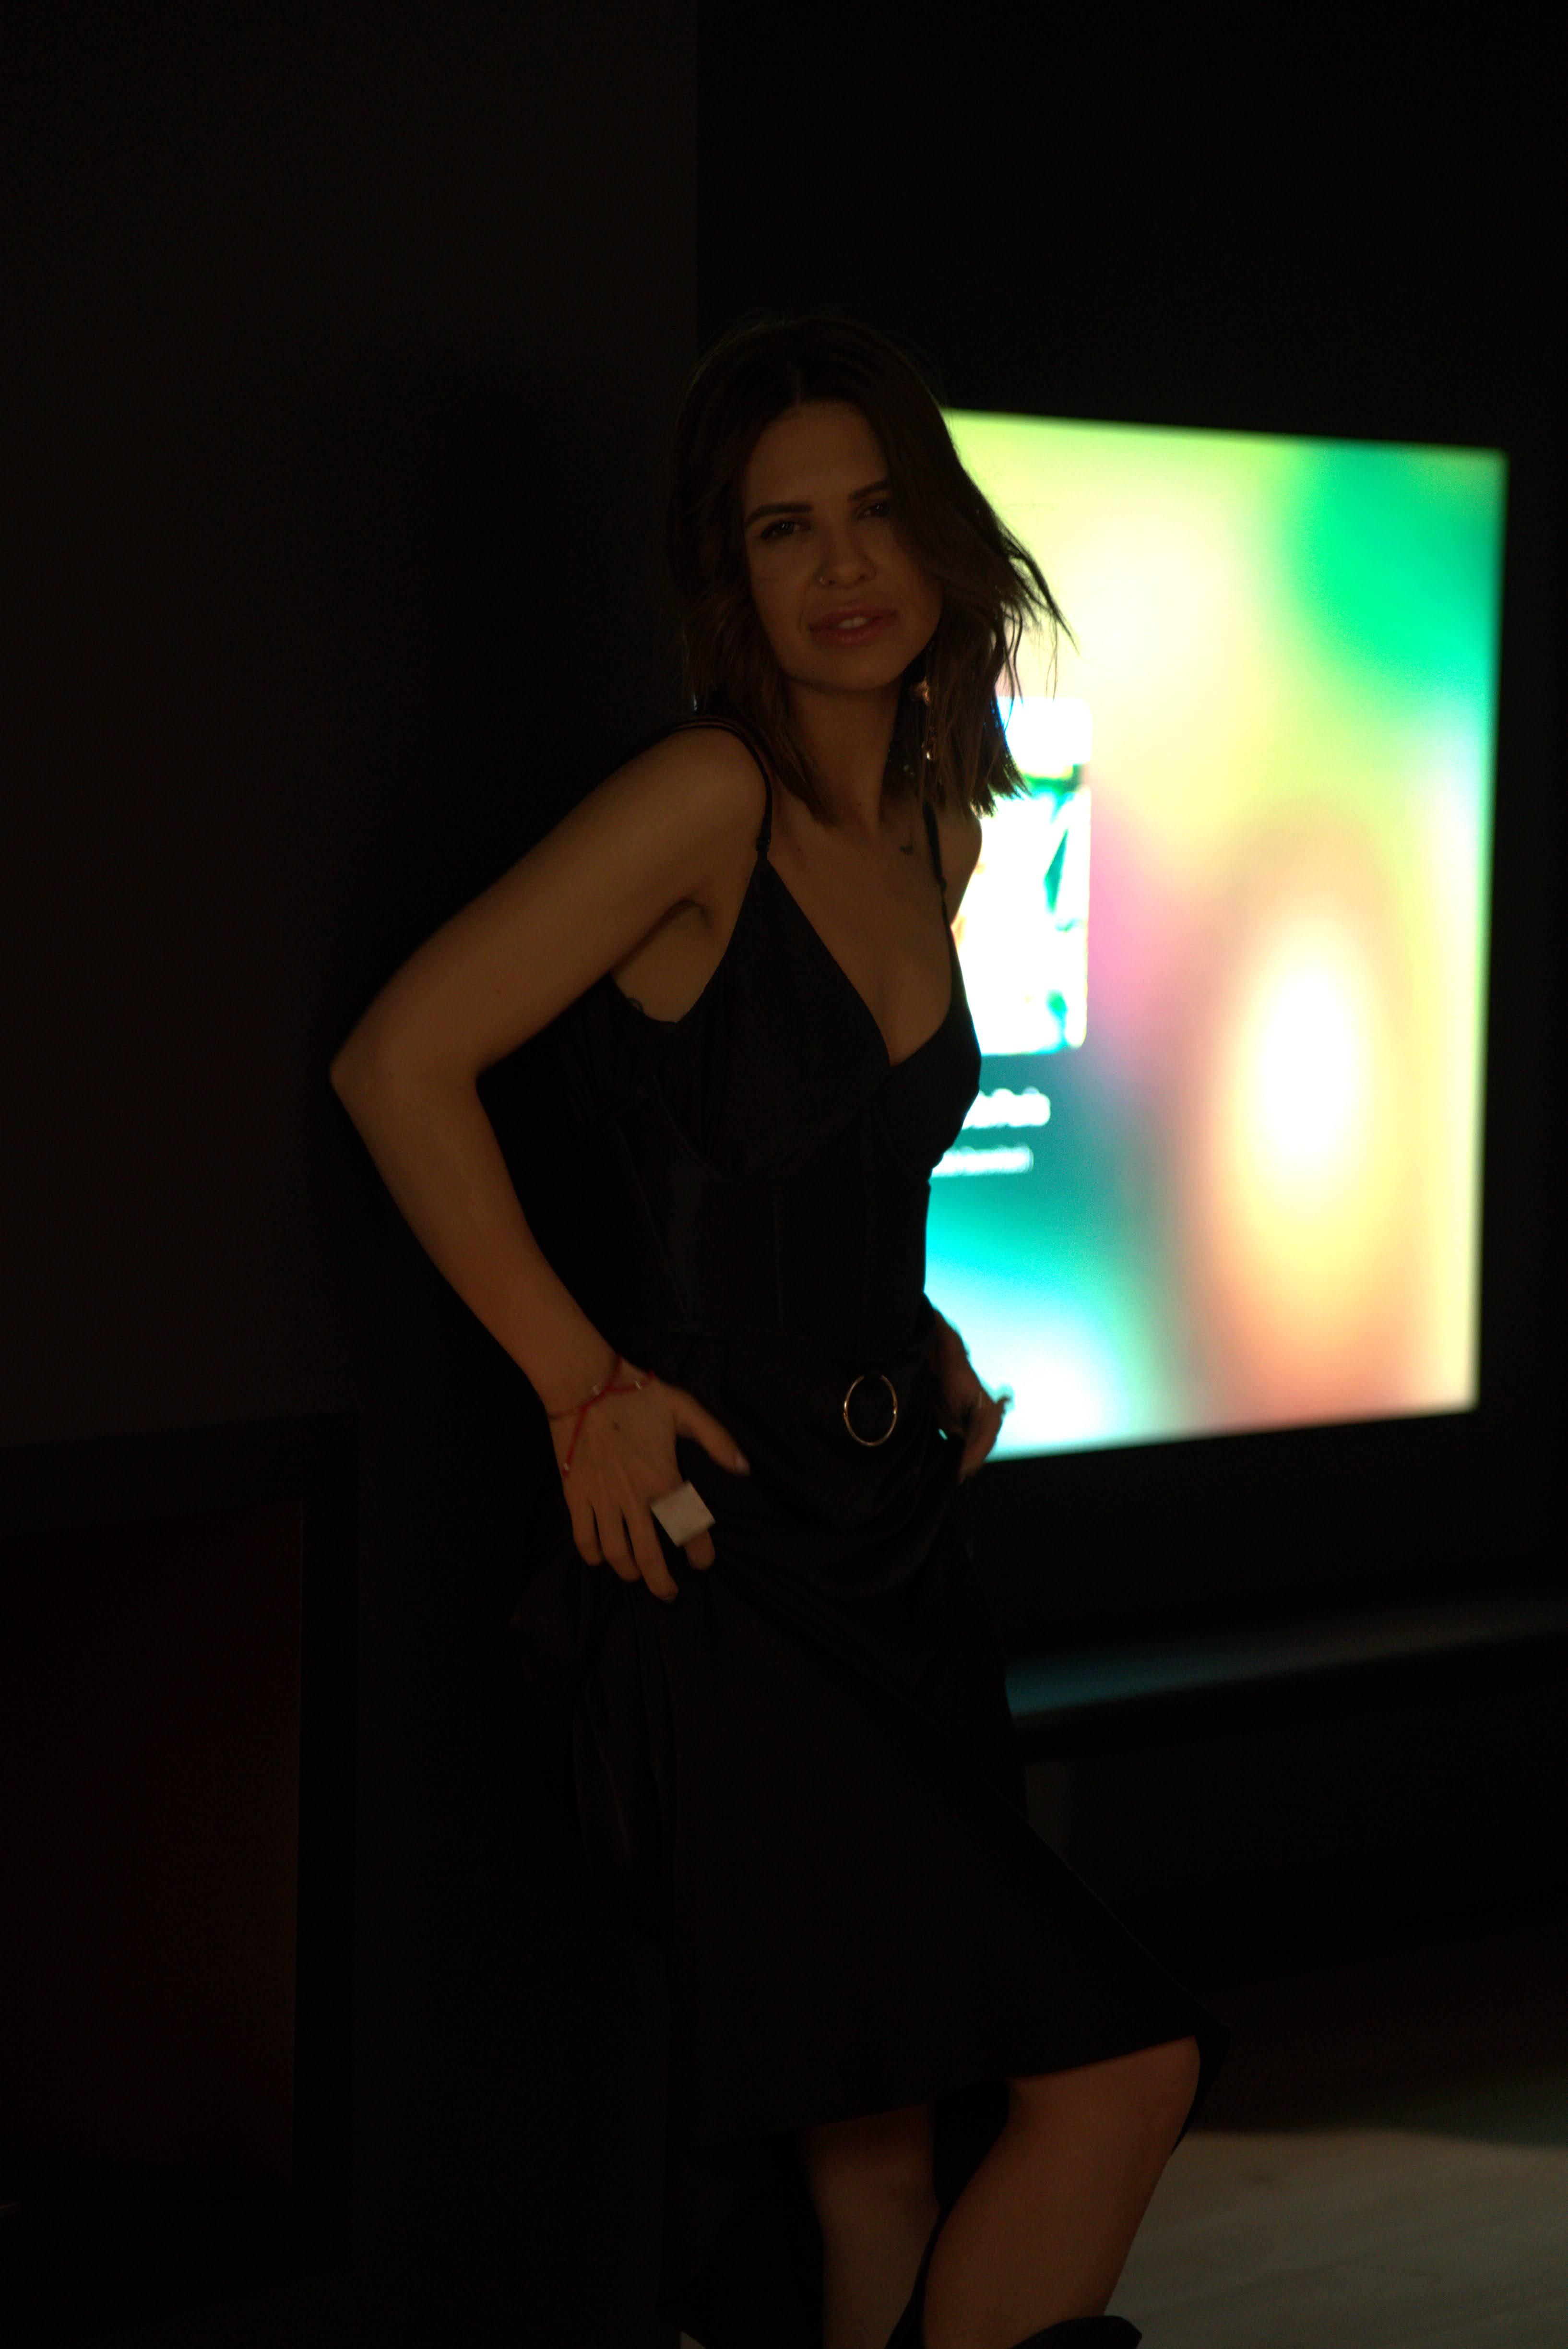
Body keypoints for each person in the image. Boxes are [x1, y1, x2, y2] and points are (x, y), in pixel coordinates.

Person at [330, 315, 1230, 2349]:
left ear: (943, 542)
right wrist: (580, 1381)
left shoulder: (941, 825)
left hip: (894, 1546)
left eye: (874, 512)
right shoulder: (702, 799)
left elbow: (781, 1150)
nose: (840, 565)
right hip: (720, 1569)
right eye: (781, 528)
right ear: (726, 577)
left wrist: (907, 1324)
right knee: (1120, 2072)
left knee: (880, 2161)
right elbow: (400, 1062)